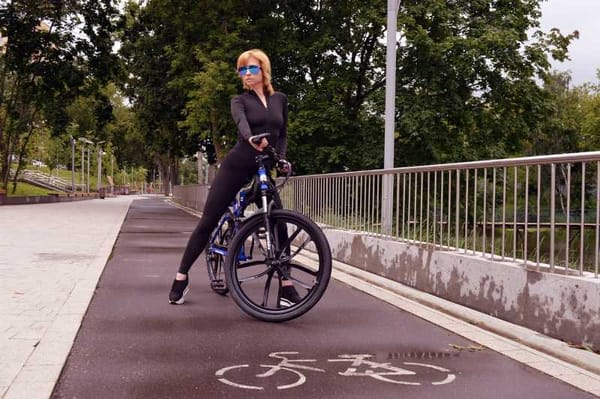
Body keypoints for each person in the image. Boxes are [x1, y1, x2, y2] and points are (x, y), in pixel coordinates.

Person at [169, 49, 300, 306]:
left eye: (251, 69)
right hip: (239, 162)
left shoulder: (280, 100)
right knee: (208, 221)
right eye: (242, 70)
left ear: (264, 69)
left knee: (279, 221)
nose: (247, 74)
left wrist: (282, 158)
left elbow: (282, 132)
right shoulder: (239, 100)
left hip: (265, 163)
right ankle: (181, 277)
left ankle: (286, 285)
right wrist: (251, 137)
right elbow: (241, 122)